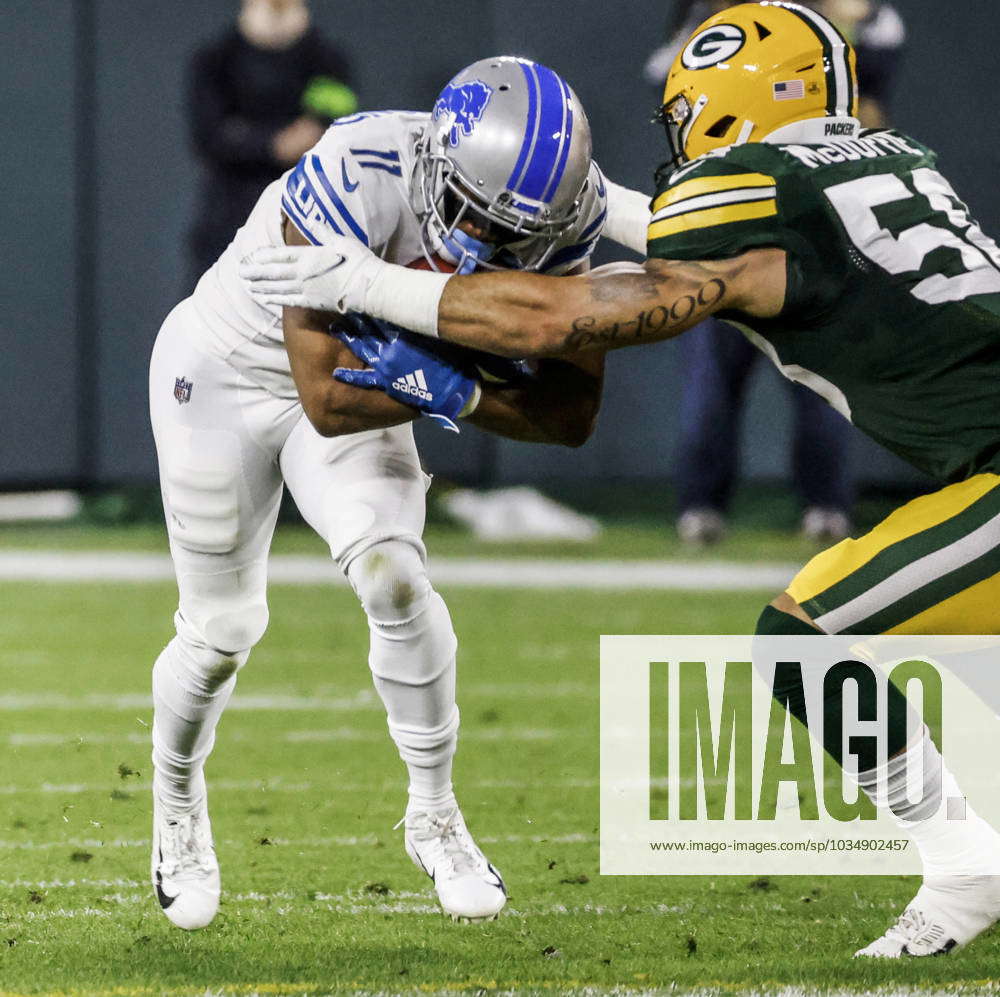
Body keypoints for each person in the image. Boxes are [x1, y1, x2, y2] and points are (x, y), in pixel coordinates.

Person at [242, 1, 1000, 958]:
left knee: (806, 637)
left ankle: (967, 863)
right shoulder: (900, 160)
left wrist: (366, 283)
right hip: (977, 471)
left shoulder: (754, 187)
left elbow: (559, 323)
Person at [150, 54, 649, 931]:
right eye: (477, 219)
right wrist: (460, 383)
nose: (496, 249)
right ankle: (177, 808)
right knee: (221, 628)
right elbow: (329, 397)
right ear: (436, 166)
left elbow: (569, 416)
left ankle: (435, 813)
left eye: (519, 234)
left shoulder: (569, 216)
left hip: (375, 379)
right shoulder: (358, 169)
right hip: (229, 372)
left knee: (396, 579)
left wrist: (454, 391)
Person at [644, 0, 905, 545]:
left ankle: (826, 505)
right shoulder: (712, 20)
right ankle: (701, 506)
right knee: (712, 384)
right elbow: (672, 91)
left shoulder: (843, 23)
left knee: (823, 384)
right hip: (731, 222)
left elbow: (871, 97)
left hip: (814, 225)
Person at [187, 0, 358, 288]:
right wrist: (272, 144)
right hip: (227, 225)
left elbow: (335, 120)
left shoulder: (328, 61)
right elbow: (210, 136)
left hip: (308, 221)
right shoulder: (214, 61)